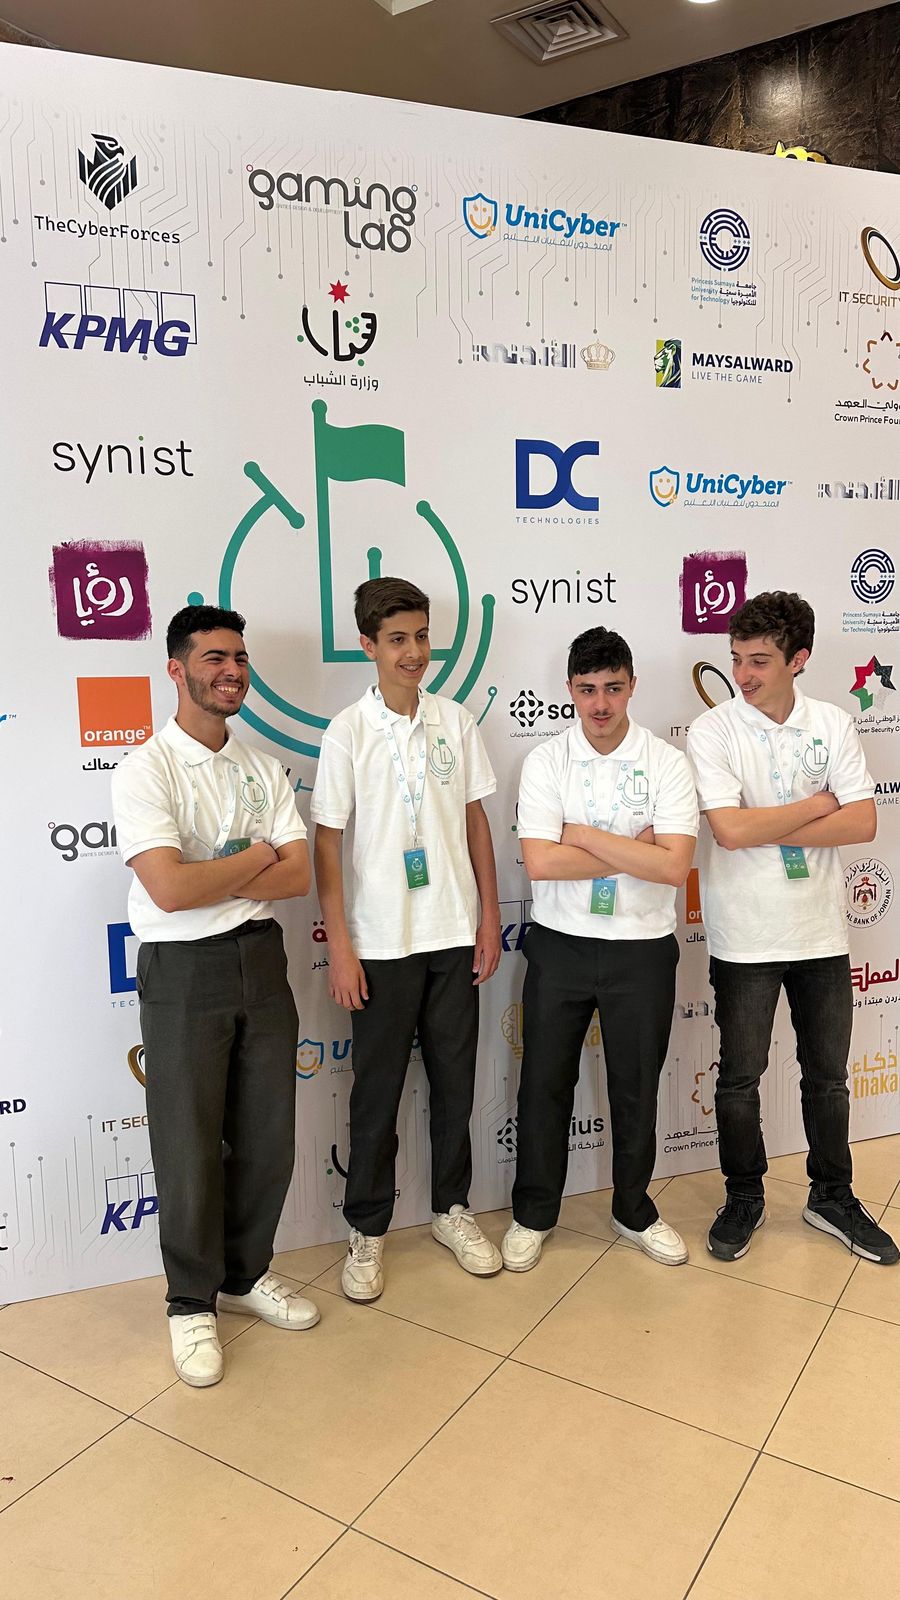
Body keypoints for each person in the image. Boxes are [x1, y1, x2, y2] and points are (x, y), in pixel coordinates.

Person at [111, 605, 320, 1388]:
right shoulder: (146, 770)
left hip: (260, 961)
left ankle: (244, 1272)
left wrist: (221, 872)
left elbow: (298, 877)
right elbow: (168, 890)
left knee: (267, 1136)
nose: (231, 671)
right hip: (182, 970)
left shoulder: (263, 768)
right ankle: (190, 1302)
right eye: (214, 659)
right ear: (177, 669)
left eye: (238, 658)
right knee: (189, 1143)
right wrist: (257, 855)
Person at [686, 591, 898, 1266]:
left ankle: (831, 1196)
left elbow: (862, 822)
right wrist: (817, 804)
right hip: (744, 935)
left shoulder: (832, 723)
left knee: (828, 1079)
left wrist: (770, 822)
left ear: (797, 659)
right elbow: (729, 830)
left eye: (758, 661)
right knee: (739, 1080)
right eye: (736, 659)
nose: (743, 674)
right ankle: (743, 1196)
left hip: (821, 935)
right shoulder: (713, 730)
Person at [312, 577, 502, 1300]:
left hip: (452, 933)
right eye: (397, 640)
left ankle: (453, 1209)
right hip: (381, 943)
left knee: (456, 1087)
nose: (414, 652)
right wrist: (341, 946)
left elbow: (476, 822)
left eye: (421, 637)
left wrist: (488, 917)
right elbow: (327, 843)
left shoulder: (455, 721)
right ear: (368, 645)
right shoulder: (347, 731)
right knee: (377, 1096)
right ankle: (367, 1229)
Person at [504, 626, 697, 1272]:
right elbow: (541, 863)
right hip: (559, 945)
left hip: (641, 950)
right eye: (587, 690)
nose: (601, 704)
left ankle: (633, 1208)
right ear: (569, 690)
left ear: (632, 686)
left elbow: (673, 868)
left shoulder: (666, 762)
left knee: (636, 1089)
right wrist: (634, 850)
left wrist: (582, 835)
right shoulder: (546, 762)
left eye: (613, 688)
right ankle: (534, 1214)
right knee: (543, 1085)